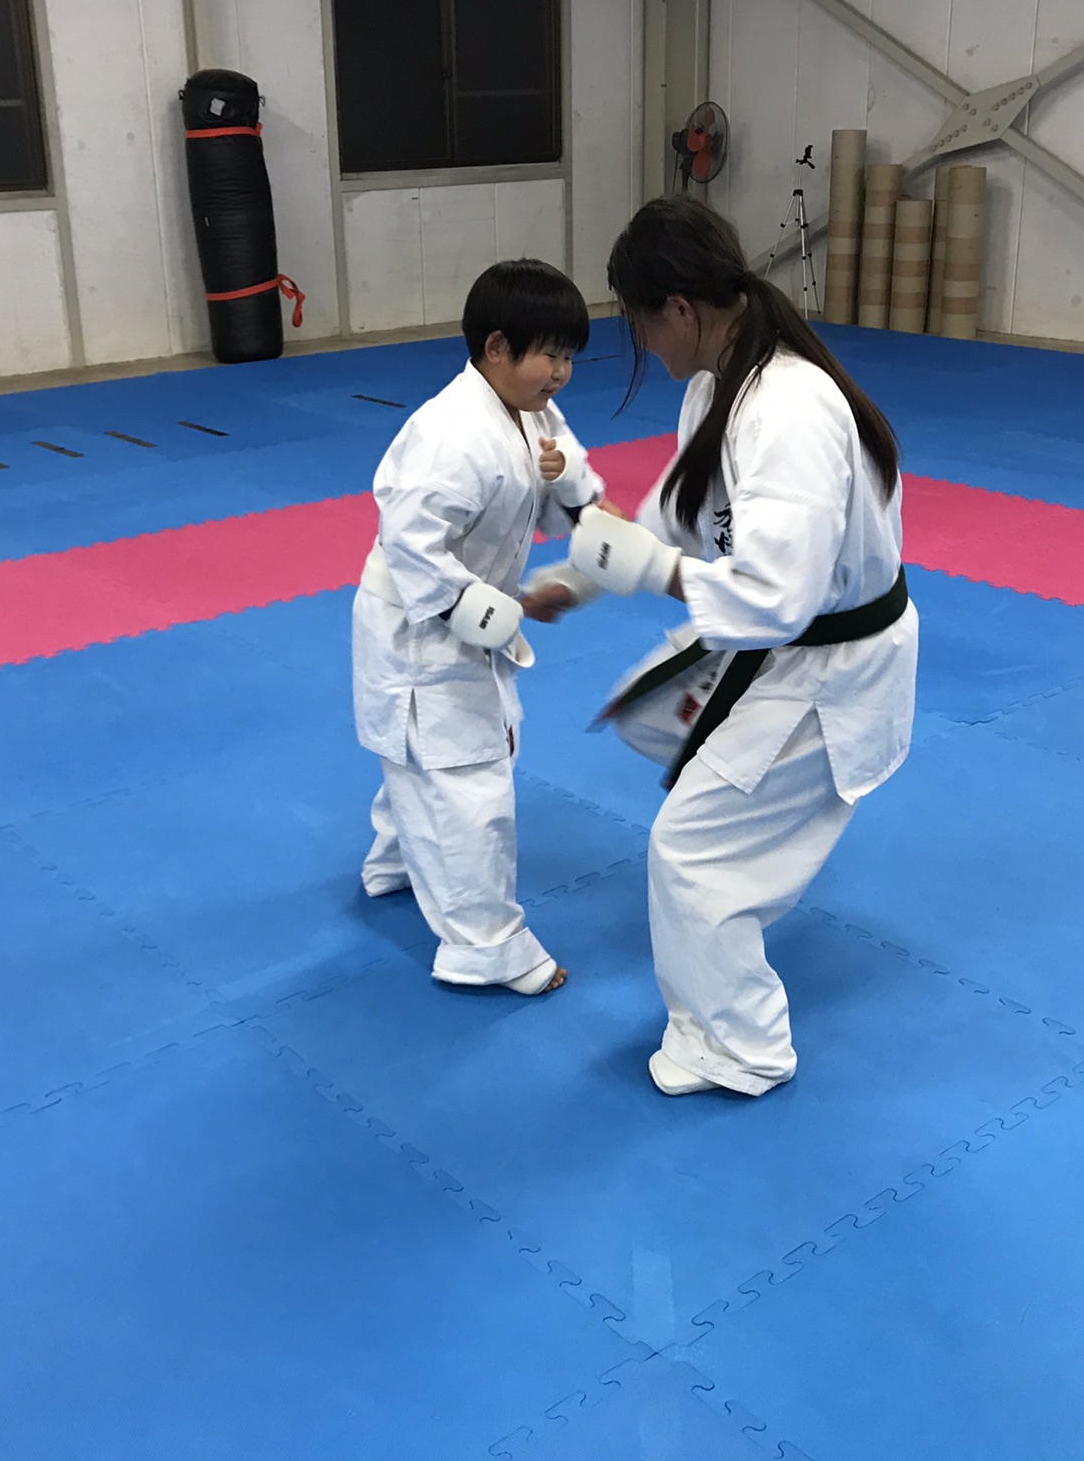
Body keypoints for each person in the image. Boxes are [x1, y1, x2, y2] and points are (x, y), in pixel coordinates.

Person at [560, 196, 919, 1096]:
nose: (643, 344)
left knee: (690, 852)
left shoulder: (787, 410)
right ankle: (746, 866)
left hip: (828, 661)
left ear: (679, 309)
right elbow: (679, 516)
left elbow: (775, 595)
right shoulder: (718, 385)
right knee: (646, 714)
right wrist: (585, 576)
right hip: (782, 642)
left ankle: (741, 1047)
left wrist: (653, 572)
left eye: (640, 323)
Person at [353, 259, 607, 997]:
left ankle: (395, 863)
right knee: (466, 783)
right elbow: (412, 546)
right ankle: (488, 949)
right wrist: (507, 611)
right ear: (497, 347)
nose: (561, 373)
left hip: (471, 611)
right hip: (422, 624)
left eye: (568, 357)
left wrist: (592, 527)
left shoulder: (532, 412)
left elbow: (574, 496)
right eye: (549, 355)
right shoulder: (448, 436)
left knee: (433, 758)